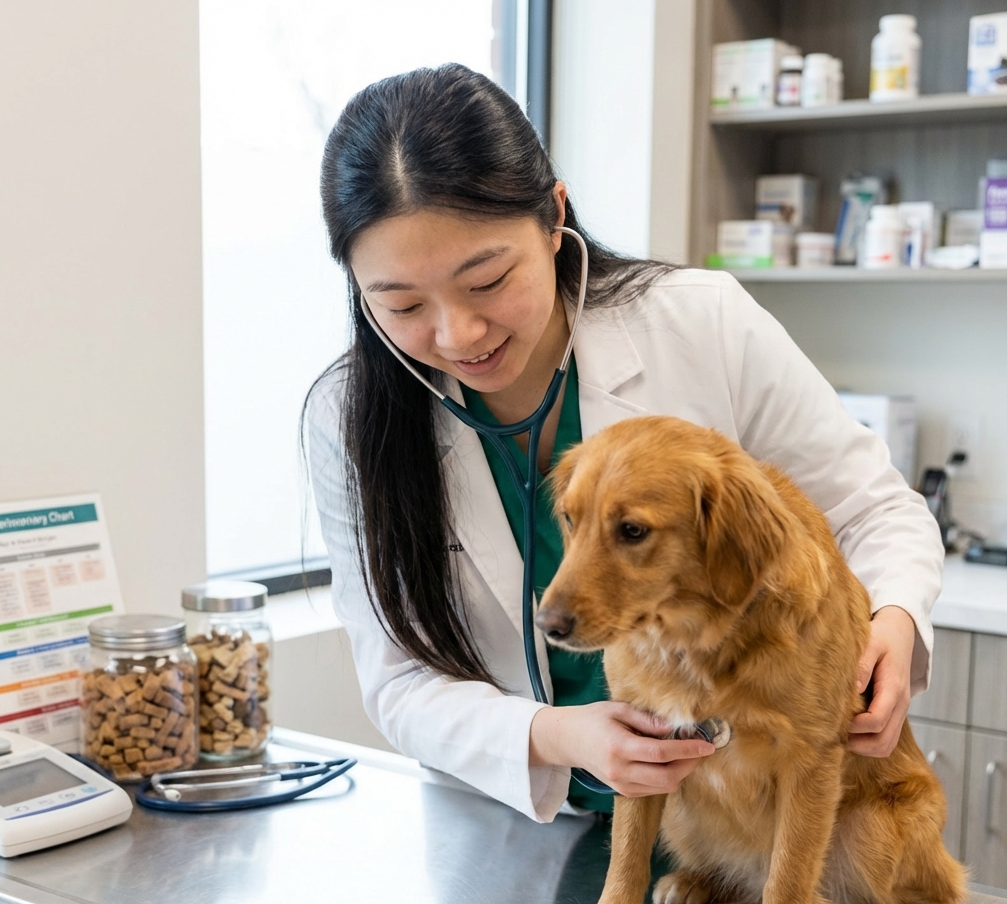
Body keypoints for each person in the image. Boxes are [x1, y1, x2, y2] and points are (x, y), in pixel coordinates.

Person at [306, 64, 942, 822]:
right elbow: (399, 682)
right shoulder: (351, 415)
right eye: (402, 303)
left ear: (553, 219)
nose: (457, 333)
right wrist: (554, 735)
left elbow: (873, 511)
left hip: (732, 816)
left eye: (486, 281)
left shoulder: (700, 324)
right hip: (514, 828)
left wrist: (895, 622)